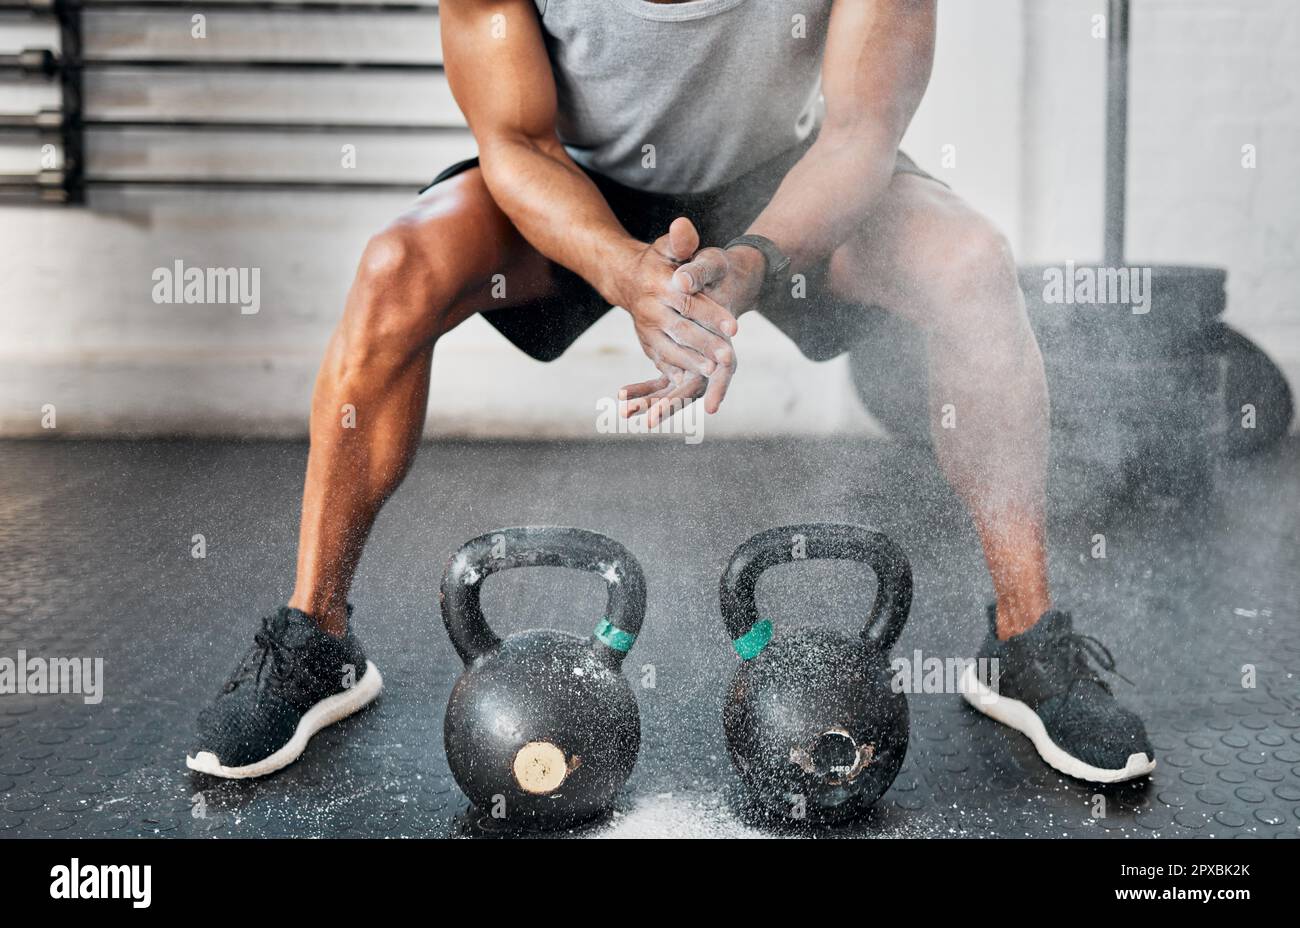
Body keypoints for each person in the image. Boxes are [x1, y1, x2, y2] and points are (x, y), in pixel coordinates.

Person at [187, 0, 1154, 785]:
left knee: (973, 265)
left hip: (790, 184)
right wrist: (623, 271)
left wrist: (758, 261)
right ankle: (316, 637)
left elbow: (862, 127)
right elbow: (516, 143)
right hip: (575, 189)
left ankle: (1027, 641)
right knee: (397, 266)